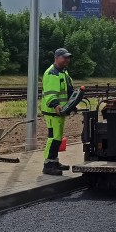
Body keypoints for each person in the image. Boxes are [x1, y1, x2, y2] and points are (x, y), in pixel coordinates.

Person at [40, 48, 74, 176]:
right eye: (64, 57)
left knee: (57, 137)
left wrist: (72, 103)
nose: (67, 60)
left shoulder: (63, 72)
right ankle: (48, 165)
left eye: (68, 57)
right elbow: (50, 93)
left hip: (60, 111)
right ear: (57, 58)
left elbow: (68, 90)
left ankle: (54, 161)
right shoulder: (52, 73)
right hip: (53, 112)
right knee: (53, 137)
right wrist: (55, 105)